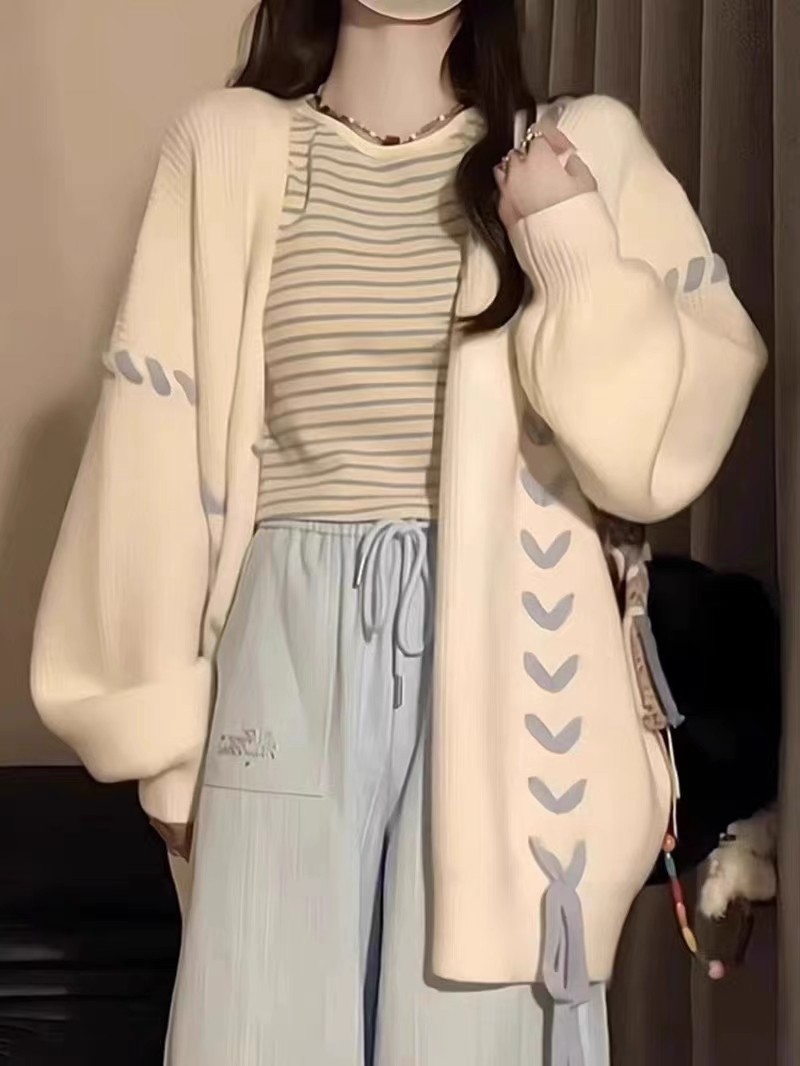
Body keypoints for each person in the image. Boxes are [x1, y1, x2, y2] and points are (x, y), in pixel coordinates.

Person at [30, 0, 767, 1063]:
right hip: (281, 657)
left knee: (476, 1034)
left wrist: (566, 239)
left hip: (507, 671)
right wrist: (160, 735)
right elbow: (153, 441)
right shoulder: (228, 146)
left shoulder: (580, 148)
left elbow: (653, 456)